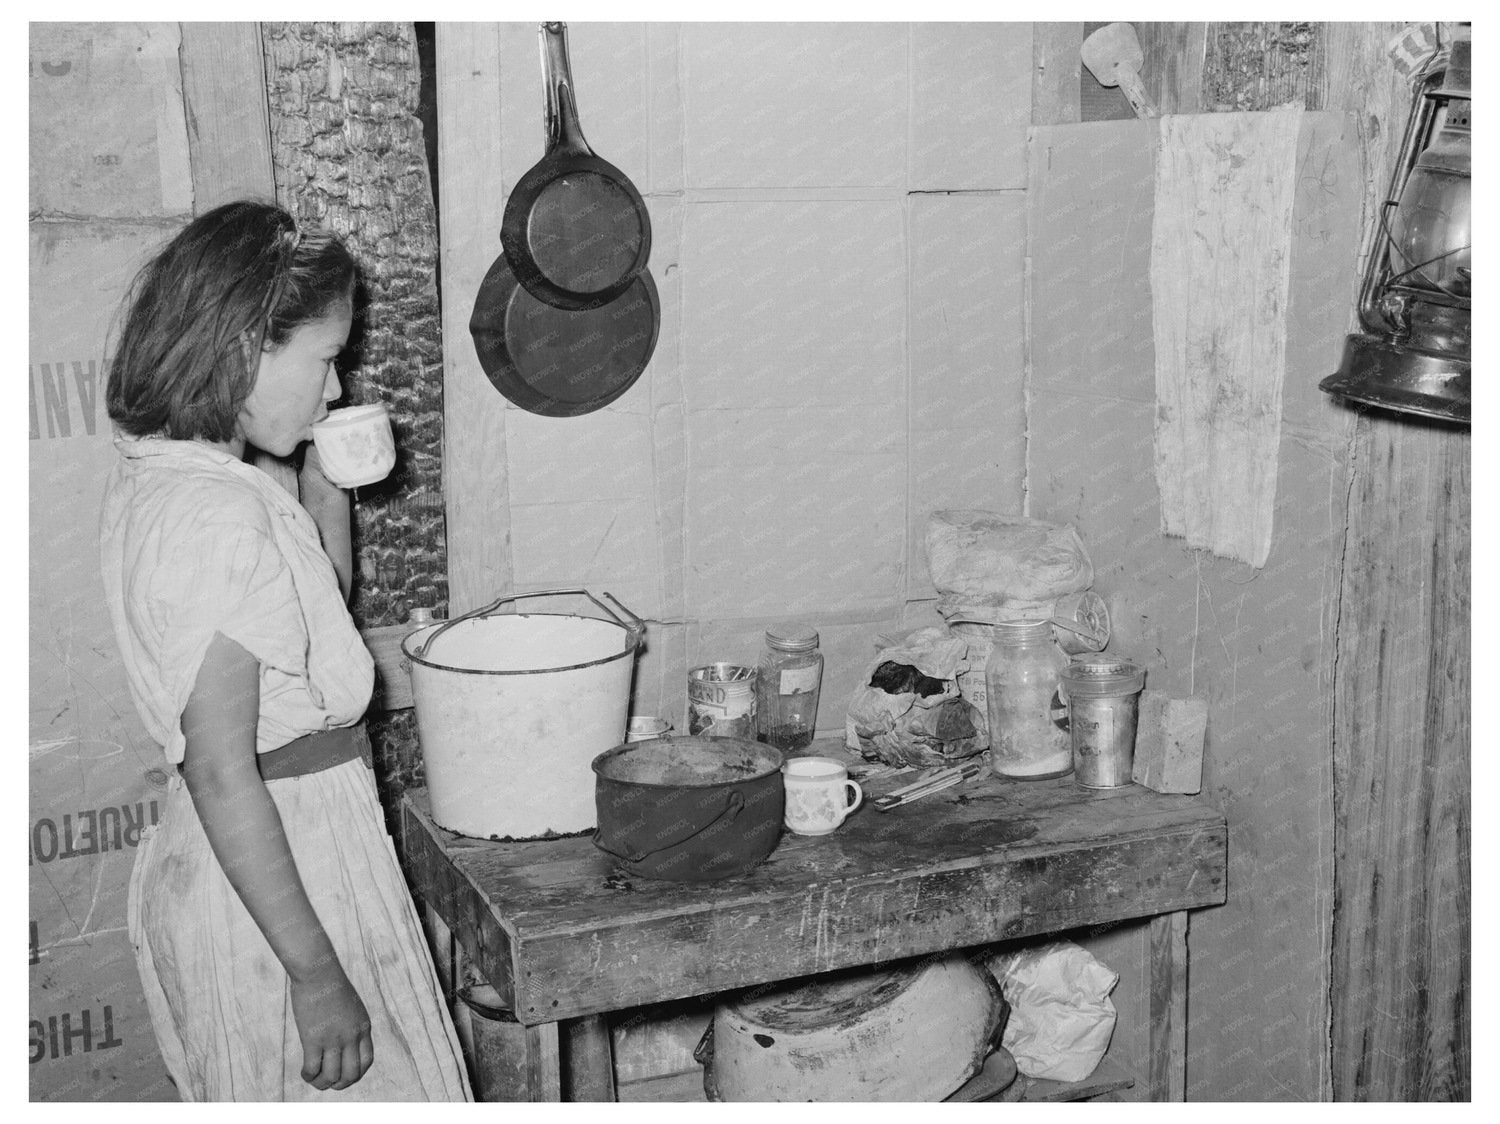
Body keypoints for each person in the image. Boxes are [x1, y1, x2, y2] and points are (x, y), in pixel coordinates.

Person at [99, 200, 472, 1102]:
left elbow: (306, 633)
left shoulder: (187, 479)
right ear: (241, 348)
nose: (337, 388)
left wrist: (325, 471)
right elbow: (223, 772)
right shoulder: (215, 519)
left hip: (293, 844)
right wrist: (317, 975)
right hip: (280, 867)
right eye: (325, 359)